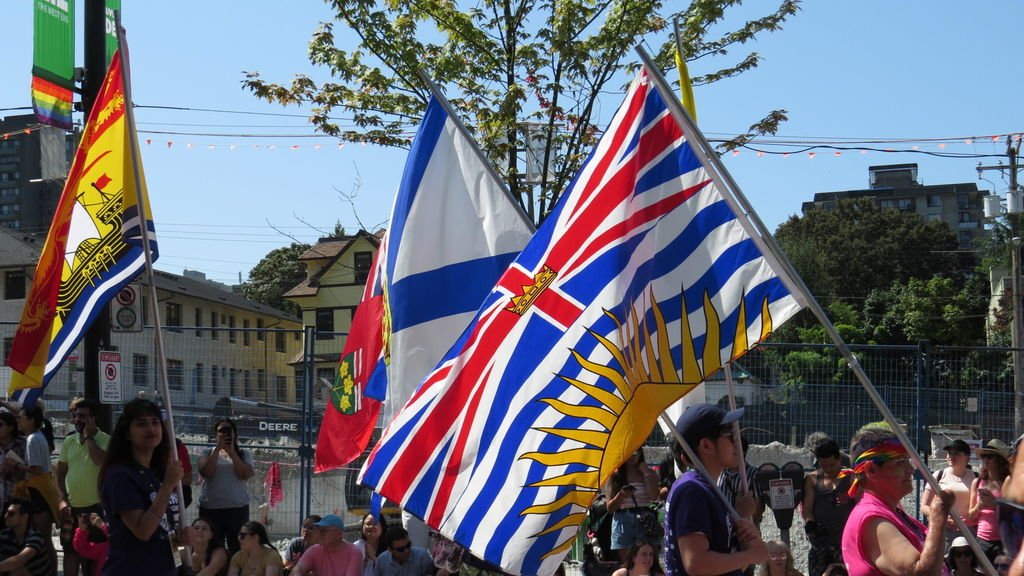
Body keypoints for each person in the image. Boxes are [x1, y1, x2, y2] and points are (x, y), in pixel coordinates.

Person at [664, 404, 767, 576]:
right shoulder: (692, 491)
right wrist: (749, 555)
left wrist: (742, 517)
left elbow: (725, 565)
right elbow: (696, 563)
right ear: (706, 446)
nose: (738, 442)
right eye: (730, 435)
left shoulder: (708, 489)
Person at [839, 424, 953, 576]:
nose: (911, 470)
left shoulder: (892, 512)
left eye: (907, 461)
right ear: (871, 470)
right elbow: (920, 572)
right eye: (900, 462)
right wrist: (938, 517)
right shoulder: (871, 519)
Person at [99, 398, 190, 576]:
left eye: (155, 422)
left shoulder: (155, 473)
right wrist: (167, 486)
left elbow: (162, 529)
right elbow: (143, 531)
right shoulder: (120, 476)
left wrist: (180, 539)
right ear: (127, 433)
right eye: (141, 424)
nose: (150, 428)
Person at [57, 398, 110, 576]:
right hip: (72, 508)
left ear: (93, 418)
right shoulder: (68, 441)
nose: (77, 420)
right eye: (76, 416)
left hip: (96, 508)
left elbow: (99, 460)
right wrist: (62, 499)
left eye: (83, 416)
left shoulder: (105, 440)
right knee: (70, 551)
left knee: (94, 554)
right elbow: (60, 473)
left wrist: (88, 436)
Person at [199, 418, 254, 554]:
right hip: (211, 509)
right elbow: (207, 472)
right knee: (212, 549)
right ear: (215, 434)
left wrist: (231, 453)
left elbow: (245, 474)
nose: (224, 433)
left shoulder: (243, 453)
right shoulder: (207, 452)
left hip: (237, 509)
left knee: (237, 548)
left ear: (235, 434)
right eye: (220, 431)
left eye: (228, 430)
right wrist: (218, 449)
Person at [802, 438, 855, 576]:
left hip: (844, 545)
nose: (828, 470)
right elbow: (807, 510)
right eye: (823, 465)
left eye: (832, 465)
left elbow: (861, 506)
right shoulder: (812, 479)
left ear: (839, 459)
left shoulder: (852, 478)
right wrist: (810, 523)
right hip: (820, 544)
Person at [15, 405, 59, 571]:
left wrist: (17, 465)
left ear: (31, 420)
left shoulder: (33, 439)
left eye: (21, 417)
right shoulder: (38, 436)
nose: (19, 420)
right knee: (44, 538)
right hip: (41, 488)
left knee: (43, 538)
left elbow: (36, 469)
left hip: (38, 491)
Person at [604, 448, 659, 561]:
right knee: (627, 563)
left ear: (640, 453)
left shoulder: (649, 473)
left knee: (648, 562)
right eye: (628, 453)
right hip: (623, 521)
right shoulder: (615, 476)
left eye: (635, 453)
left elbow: (654, 496)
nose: (632, 457)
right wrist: (621, 495)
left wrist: (646, 473)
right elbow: (609, 508)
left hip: (645, 521)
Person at [920, 439, 977, 546]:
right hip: (943, 530)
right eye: (949, 453)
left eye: (956, 453)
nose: (951, 456)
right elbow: (924, 506)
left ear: (966, 457)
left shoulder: (976, 477)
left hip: (969, 531)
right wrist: (944, 518)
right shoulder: (938, 475)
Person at [968, 439, 1011, 562]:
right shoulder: (977, 483)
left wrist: (994, 504)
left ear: (999, 460)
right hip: (982, 540)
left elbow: (1013, 515)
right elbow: (971, 515)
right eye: (983, 456)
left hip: (1004, 541)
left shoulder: (1008, 483)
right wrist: (980, 506)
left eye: (990, 456)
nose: (985, 459)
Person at [291, 514, 362, 576]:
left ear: (339, 534)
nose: (320, 533)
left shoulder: (353, 552)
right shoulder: (315, 550)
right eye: (319, 530)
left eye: (324, 530)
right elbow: (298, 569)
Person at [0, 498, 54, 575]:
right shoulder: (5, 535)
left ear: (24, 517)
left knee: (17, 569)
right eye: (6, 512)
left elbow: (18, 561)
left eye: (11, 514)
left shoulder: (35, 537)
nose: (5, 516)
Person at [0, 411, 26, 525]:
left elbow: (32, 469)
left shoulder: (23, 444)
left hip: (17, 497)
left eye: (0, 425)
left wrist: (14, 468)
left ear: (11, 427)